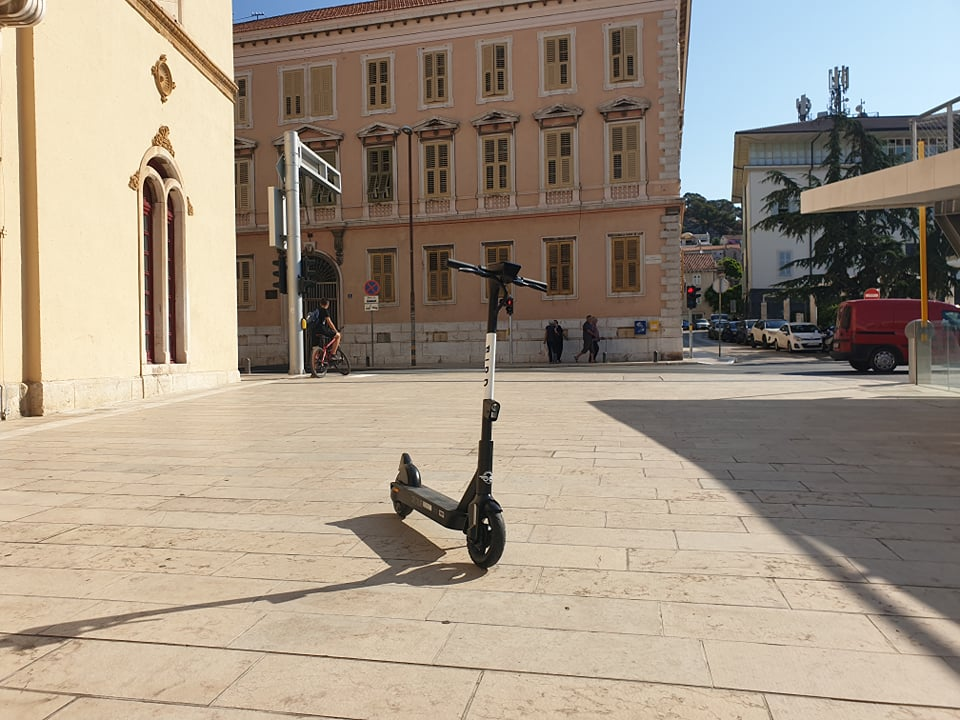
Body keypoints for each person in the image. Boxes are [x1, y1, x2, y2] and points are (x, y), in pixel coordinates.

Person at [308, 298, 341, 376]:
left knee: (315, 350)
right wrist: (336, 331)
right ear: (327, 304)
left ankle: (314, 371)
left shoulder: (316, 310)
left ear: (320, 303)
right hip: (321, 329)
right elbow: (329, 322)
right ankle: (333, 354)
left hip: (313, 331)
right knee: (338, 336)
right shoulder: (324, 310)